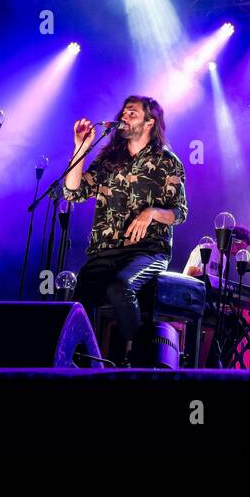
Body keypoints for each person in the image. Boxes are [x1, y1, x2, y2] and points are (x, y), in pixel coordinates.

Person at [65, 95, 187, 364]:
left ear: (149, 122)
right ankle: (88, 366)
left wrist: (152, 212)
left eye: (132, 113)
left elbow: (179, 213)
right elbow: (73, 192)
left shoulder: (167, 162)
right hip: (104, 251)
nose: (124, 116)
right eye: (124, 112)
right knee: (78, 307)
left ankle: (136, 360)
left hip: (147, 251)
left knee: (120, 287)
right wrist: (80, 148)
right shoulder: (109, 159)